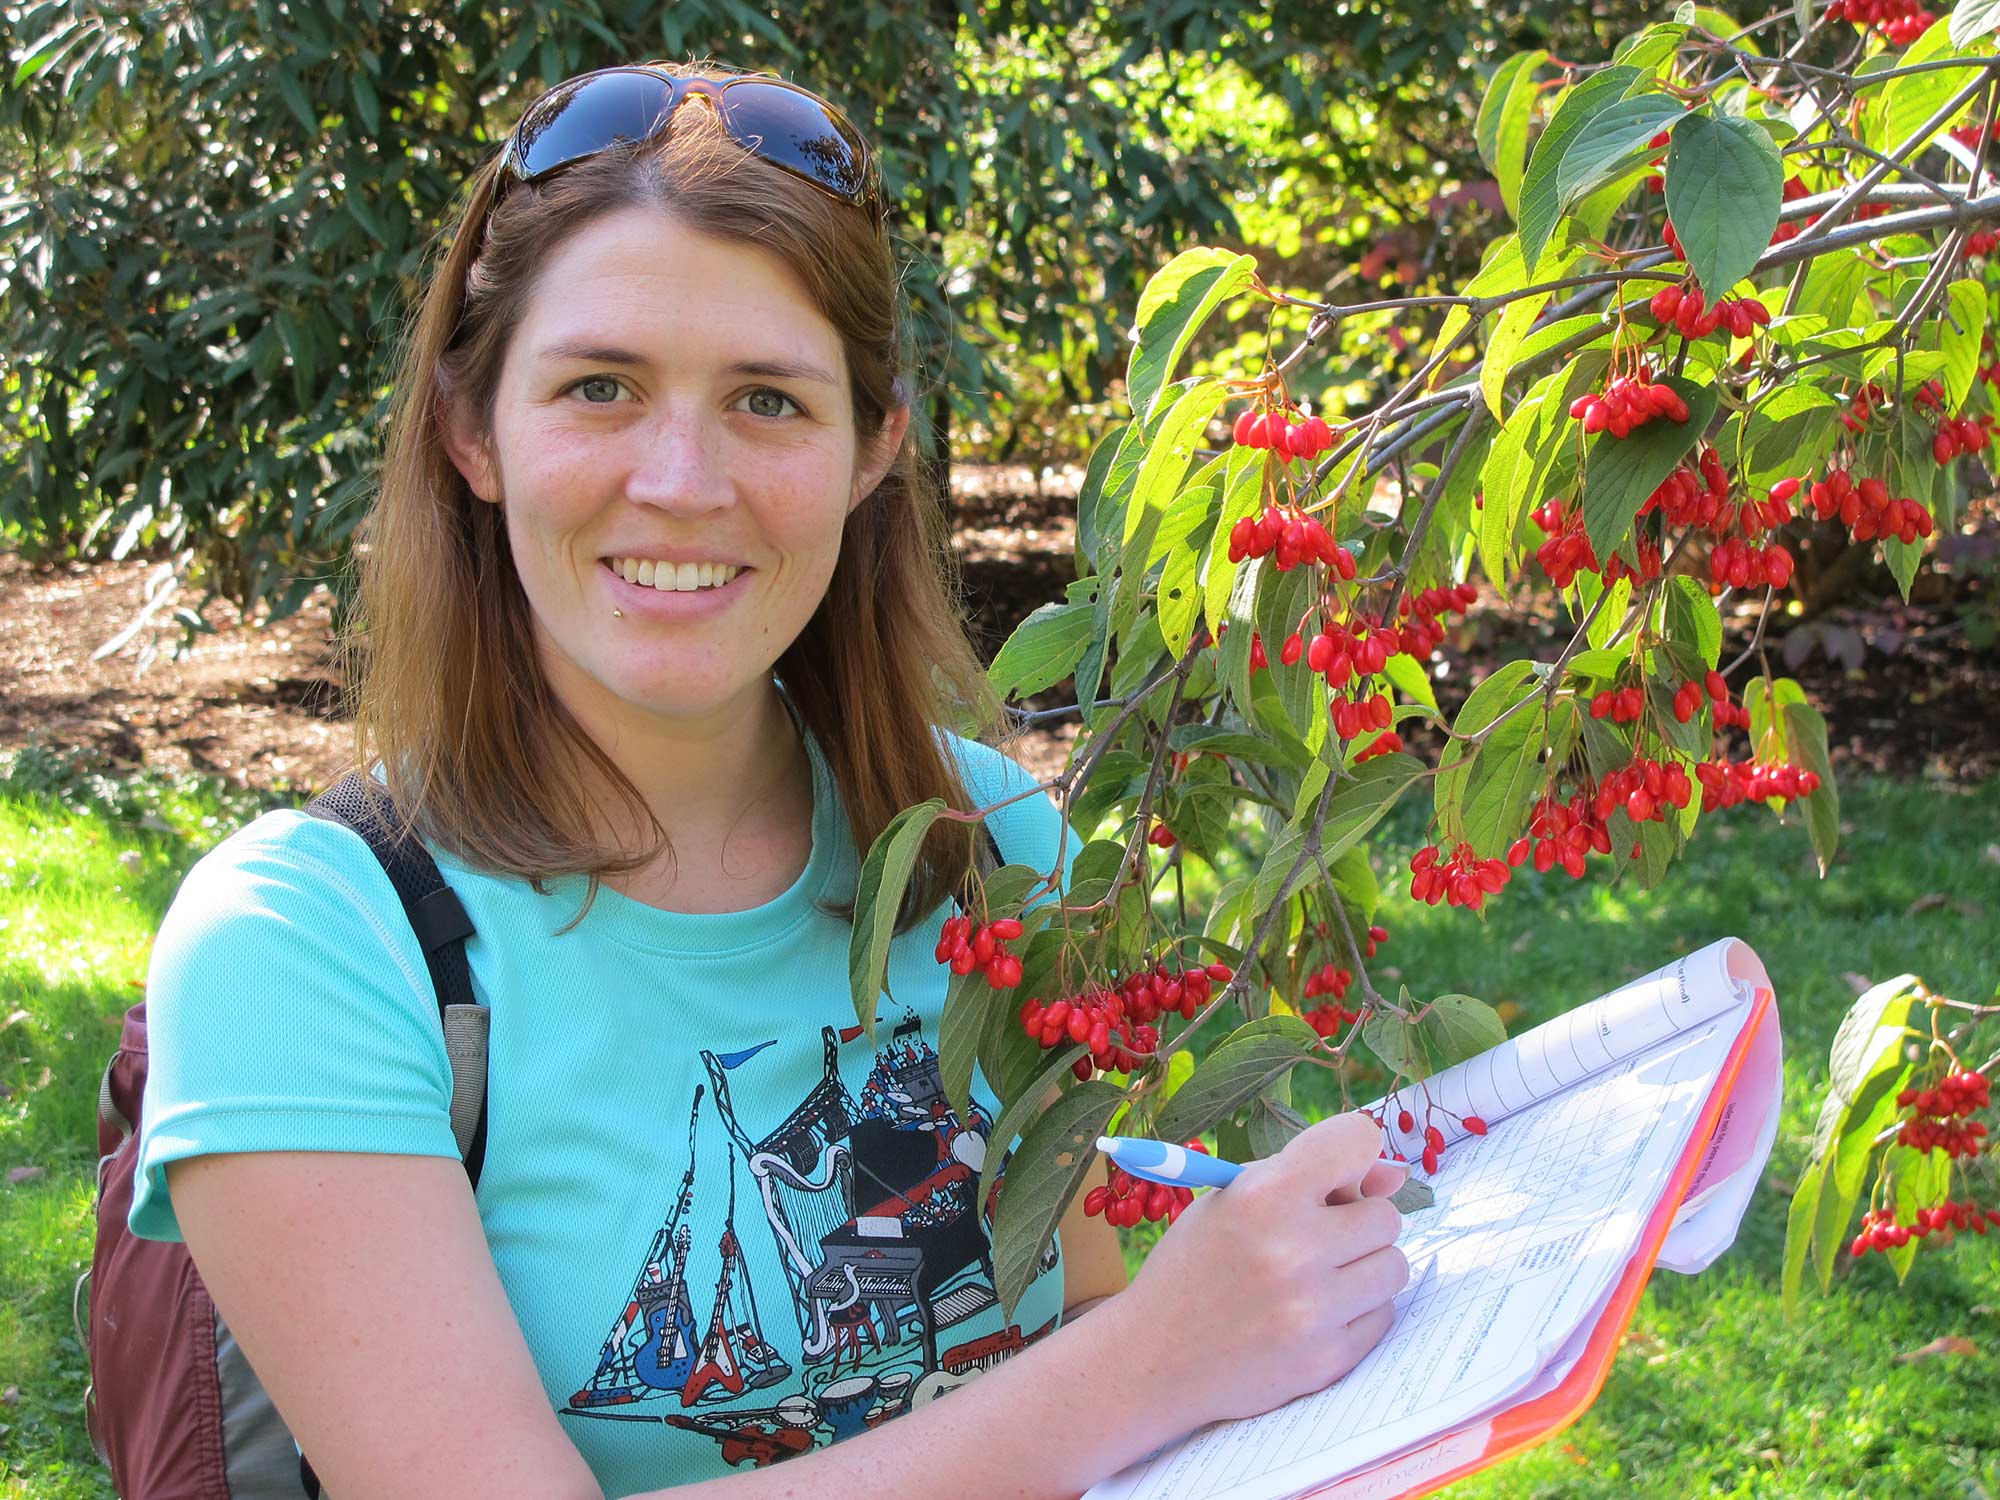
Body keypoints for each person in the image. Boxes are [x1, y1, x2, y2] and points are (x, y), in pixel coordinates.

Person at [127, 58, 1410, 1500]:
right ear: (471, 432)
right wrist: (1162, 1358)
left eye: (768, 402)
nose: (682, 480)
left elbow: (1091, 1329)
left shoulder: (994, 843)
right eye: (600, 386)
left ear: (876, 449)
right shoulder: (306, 946)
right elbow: (1117, 1370)